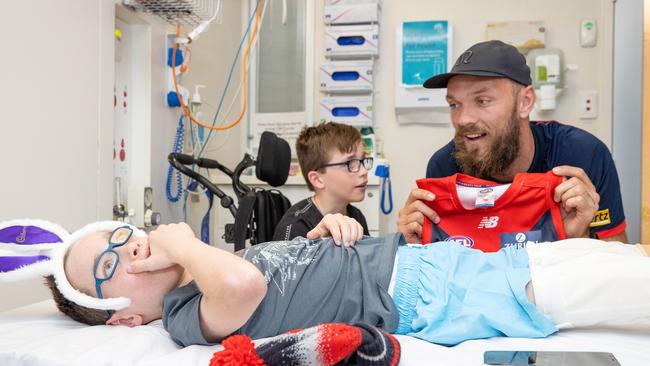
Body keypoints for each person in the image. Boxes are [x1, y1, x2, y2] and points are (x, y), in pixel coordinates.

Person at [49, 221, 650, 348]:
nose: (128, 248)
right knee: (629, 287)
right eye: (109, 268)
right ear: (125, 318)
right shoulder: (185, 312)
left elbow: (278, 273)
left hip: (450, 261)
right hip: (437, 295)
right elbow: (241, 288)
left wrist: (324, 231)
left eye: (118, 235)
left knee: (622, 260)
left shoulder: (210, 264)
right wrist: (179, 242)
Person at [397, 40, 627, 245]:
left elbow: (616, 265)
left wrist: (577, 235)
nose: (463, 119)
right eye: (454, 104)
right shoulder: (444, 166)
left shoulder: (582, 155)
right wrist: (415, 245)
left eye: (482, 100)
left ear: (525, 102)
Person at [272, 122, 373, 246]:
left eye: (363, 160)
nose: (363, 171)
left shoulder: (356, 216)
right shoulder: (295, 226)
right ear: (317, 179)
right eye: (351, 163)